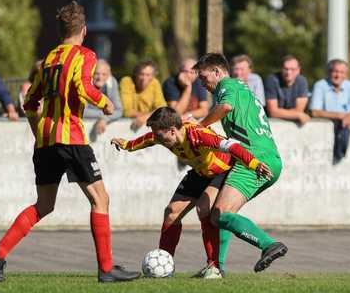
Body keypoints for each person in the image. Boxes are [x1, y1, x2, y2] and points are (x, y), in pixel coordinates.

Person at [0, 1, 140, 283]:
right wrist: (104, 103)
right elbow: (82, 85)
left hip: (46, 142)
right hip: (72, 139)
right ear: (84, 30)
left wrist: (40, 134)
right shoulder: (85, 54)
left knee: (43, 205)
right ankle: (106, 269)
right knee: (100, 199)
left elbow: (30, 103)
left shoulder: (49, 59)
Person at [111, 107, 271, 278]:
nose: (156, 138)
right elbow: (148, 139)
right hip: (200, 172)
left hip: (222, 170)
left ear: (172, 130)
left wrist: (254, 164)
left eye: (159, 135)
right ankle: (164, 268)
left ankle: (214, 267)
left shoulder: (198, 134)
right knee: (171, 213)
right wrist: (128, 145)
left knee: (203, 208)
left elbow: (232, 146)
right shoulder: (162, 134)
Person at [194, 53, 287, 273]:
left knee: (220, 213)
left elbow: (225, 107)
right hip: (264, 159)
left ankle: (269, 244)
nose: (202, 83)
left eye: (204, 77)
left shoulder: (227, 85)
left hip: (254, 159)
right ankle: (216, 268)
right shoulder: (241, 88)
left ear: (217, 72)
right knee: (210, 210)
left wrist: (200, 126)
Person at [310, 59, 350, 164]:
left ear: (346, 74)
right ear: (329, 72)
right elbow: (314, 112)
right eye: (335, 71)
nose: (338, 75)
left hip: (344, 128)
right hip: (323, 130)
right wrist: (340, 116)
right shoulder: (320, 85)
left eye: (341, 72)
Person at [120, 60, 167, 131]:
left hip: (147, 126)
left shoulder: (155, 83)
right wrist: (151, 115)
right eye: (141, 74)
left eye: (148, 75)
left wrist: (146, 117)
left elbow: (162, 108)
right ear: (136, 74)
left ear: (152, 76)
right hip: (125, 126)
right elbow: (126, 111)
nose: (144, 78)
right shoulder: (127, 81)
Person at [264, 55, 310, 125]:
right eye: (286, 69)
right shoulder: (272, 80)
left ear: (298, 70)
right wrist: (298, 115)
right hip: (272, 124)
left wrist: (279, 112)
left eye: (292, 69)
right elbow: (272, 112)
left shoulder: (302, 81)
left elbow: (299, 110)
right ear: (281, 69)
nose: (289, 72)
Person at [84, 59, 123, 138]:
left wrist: (105, 119)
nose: (100, 77)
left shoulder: (112, 82)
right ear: (91, 74)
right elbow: (83, 111)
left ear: (109, 75)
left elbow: (119, 111)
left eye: (104, 74)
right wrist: (105, 114)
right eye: (96, 74)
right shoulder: (85, 83)